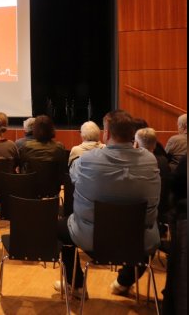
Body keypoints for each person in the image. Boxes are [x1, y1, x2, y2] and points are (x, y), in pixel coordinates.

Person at [56, 109, 160, 297]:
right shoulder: (150, 160)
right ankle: (123, 283)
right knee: (151, 233)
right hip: (137, 240)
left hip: (92, 239)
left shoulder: (87, 160)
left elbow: (72, 177)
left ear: (107, 134)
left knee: (60, 229)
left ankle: (76, 285)